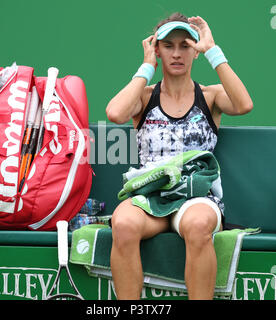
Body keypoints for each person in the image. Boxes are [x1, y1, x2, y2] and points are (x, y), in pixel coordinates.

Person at [105, 12, 253, 300]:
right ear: (157, 49)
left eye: (185, 46)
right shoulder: (145, 97)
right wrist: (146, 67)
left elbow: (244, 103)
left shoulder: (209, 97)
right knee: (122, 224)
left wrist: (213, 51)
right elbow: (115, 113)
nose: (177, 54)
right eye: (168, 46)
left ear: (195, 51)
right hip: (152, 196)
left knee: (198, 226)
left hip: (198, 198)